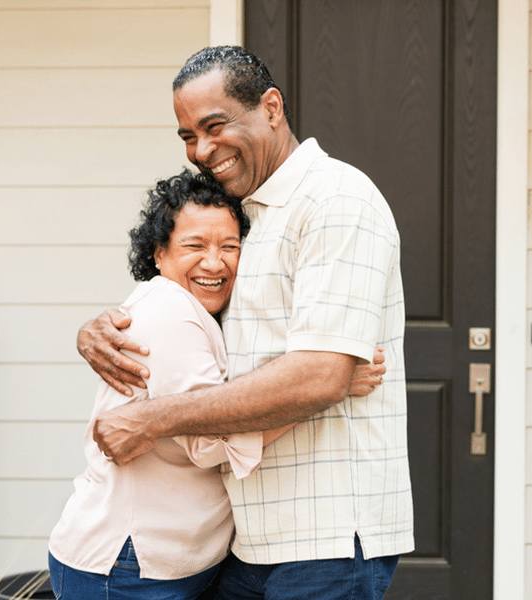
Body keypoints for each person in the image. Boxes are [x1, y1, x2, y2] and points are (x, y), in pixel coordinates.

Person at [78, 46, 414, 600]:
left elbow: (318, 376)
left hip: (326, 536)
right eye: (188, 135)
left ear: (272, 108)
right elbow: (180, 312)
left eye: (214, 126)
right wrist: (98, 330)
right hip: (248, 538)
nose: (202, 150)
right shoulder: (244, 214)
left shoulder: (336, 201)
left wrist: (150, 420)